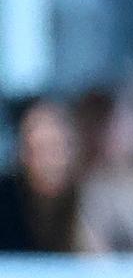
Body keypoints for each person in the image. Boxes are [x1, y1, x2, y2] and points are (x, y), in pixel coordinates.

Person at [0, 96, 81, 253]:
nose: (51, 162)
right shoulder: (5, 201)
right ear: (23, 154)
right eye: (40, 149)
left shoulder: (89, 199)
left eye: (56, 147)